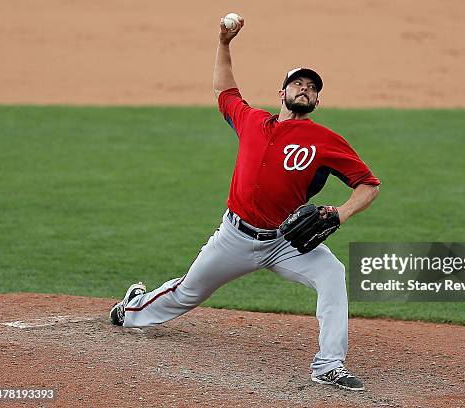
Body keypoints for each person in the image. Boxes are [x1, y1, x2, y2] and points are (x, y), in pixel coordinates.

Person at [109, 15, 380, 391]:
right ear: (281, 93)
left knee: (332, 274)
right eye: (296, 84)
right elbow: (225, 91)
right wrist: (224, 43)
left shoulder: (326, 140)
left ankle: (328, 365)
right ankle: (132, 308)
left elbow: (368, 185)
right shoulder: (252, 121)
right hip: (235, 237)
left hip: (286, 241)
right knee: (186, 293)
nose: (304, 89)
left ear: (318, 99)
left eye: (311, 87)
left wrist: (342, 211)